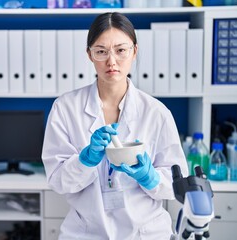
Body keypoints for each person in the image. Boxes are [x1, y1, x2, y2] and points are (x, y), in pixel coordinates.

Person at [41, 12, 189, 240]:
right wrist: (85, 160)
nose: (112, 61)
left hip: (145, 234)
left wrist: (149, 177)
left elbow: (176, 185)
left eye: (121, 50)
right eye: (101, 51)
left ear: (134, 51)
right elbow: (58, 181)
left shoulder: (156, 113)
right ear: (89, 55)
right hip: (86, 233)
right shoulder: (65, 108)